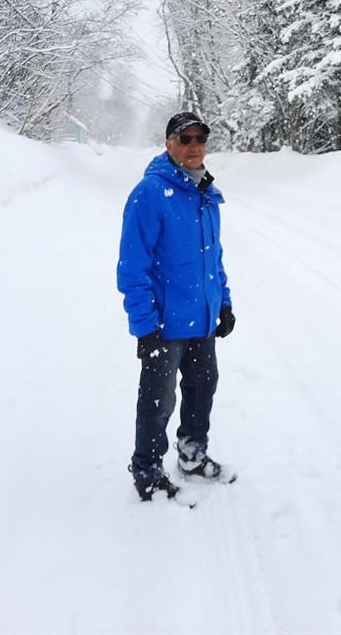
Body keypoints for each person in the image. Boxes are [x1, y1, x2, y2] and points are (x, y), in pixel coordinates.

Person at [117, 111, 236, 501]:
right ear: (169, 143)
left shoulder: (206, 194)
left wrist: (224, 303)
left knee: (203, 389)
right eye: (185, 139)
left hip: (201, 319)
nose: (194, 146)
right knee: (158, 401)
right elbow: (132, 266)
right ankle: (148, 473)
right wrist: (144, 326)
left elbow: (212, 257)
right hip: (165, 325)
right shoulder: (151, 193)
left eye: (200, 138)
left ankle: (191, 455)